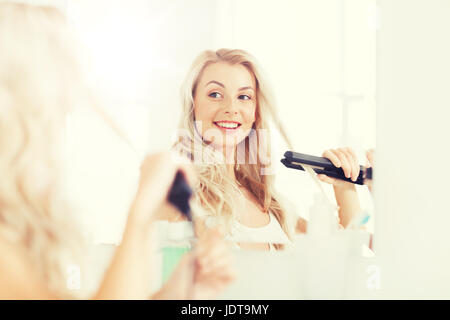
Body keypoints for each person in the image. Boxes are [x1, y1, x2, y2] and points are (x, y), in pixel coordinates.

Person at [0, 2, 234, 299]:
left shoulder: (14, 228)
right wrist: (141, 216)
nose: (63, 118)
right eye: (57, 104)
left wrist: (182, 288)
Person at [169, 48, 370, 251]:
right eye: (215, 94)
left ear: (255, 112)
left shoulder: (273, 207)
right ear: (193, 106)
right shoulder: (177, 192)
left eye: (244, 97)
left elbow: (349, 257)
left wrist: (343, 186)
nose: (231, 108)